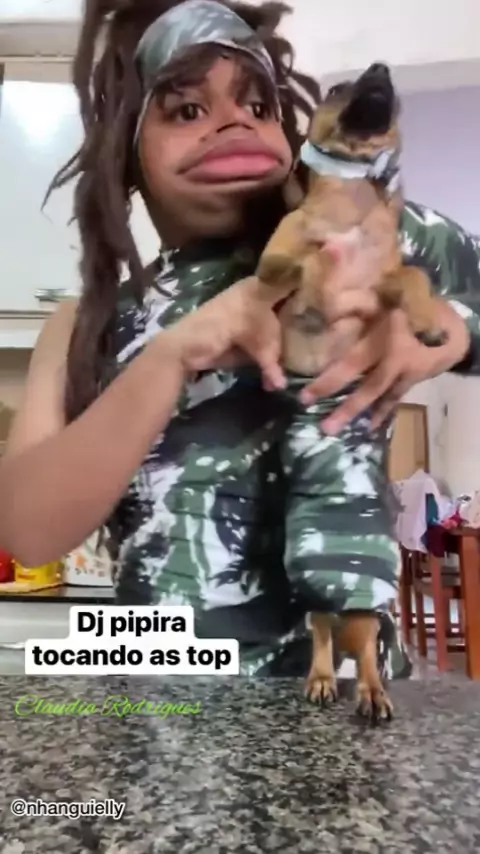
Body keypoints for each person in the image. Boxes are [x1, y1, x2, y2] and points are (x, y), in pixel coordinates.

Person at [0, 0, 478, 677]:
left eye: (257, 105)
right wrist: (173, 355)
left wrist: (452, 331)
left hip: (350, 700)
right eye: (187, 110)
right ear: (127, 155)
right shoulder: (85, 325)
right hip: (160, 704)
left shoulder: (364, 238)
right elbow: (27, 530)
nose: (234, 121)